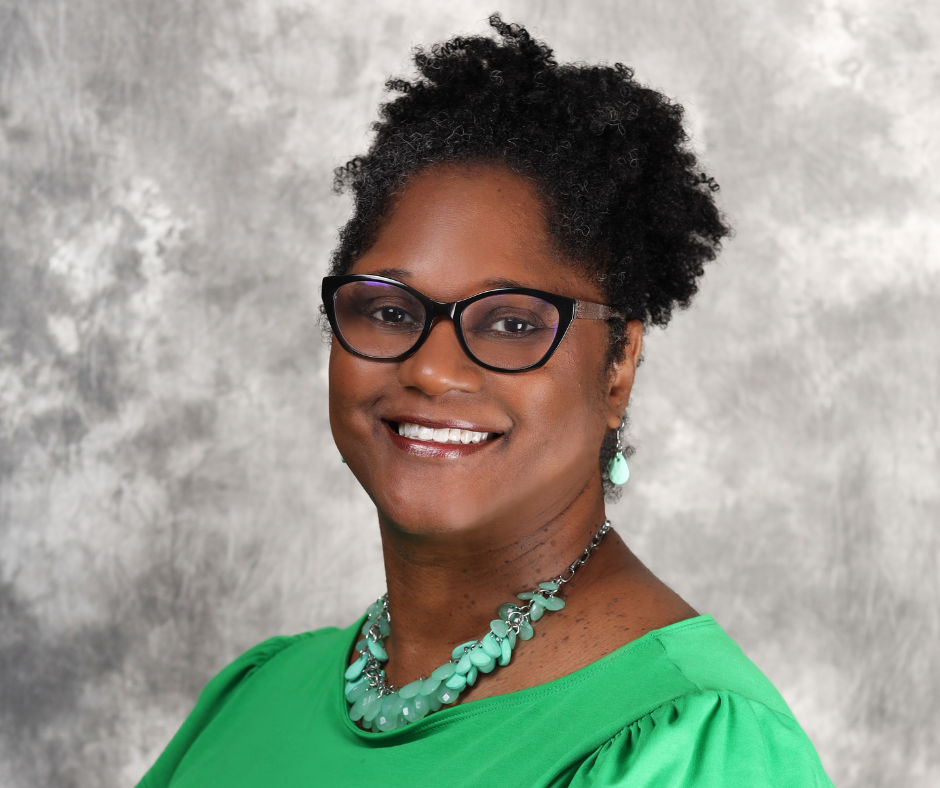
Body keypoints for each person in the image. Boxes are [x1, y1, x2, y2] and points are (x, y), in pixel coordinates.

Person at [137, 15, 833, 787]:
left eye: (512, 323)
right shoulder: (257, 694)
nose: (433, 370)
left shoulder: (696, 744)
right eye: (391, 310)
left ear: (618, 365)